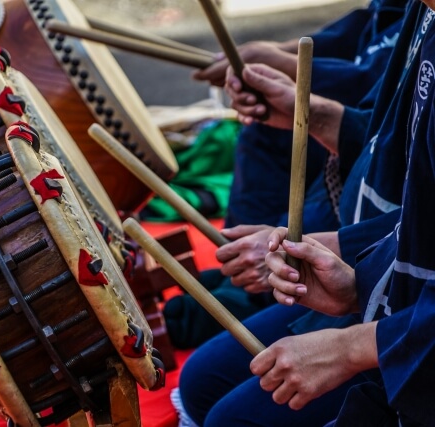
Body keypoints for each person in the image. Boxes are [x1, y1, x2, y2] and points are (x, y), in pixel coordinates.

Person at [179, 1, 435, 425]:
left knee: (232, 418)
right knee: (204, 383)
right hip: (396, 297)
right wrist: (356, 285)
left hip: (414, 347)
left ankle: (242, 296)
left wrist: (350, 347)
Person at [163, 0, 406, 349]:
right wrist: (279, 54)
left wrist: (299, 74)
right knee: (269, 125)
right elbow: (367, 31)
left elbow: (377, 82)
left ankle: (266, 280)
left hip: (396, 240)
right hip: (374, 151)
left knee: (201, 386)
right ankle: (245, 271)